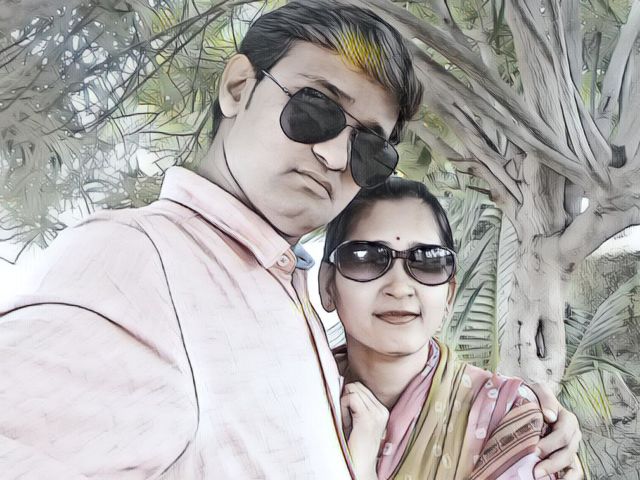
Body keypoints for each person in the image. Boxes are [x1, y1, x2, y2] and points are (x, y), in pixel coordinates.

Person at [0, 1, 580, 478]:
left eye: (368, 147)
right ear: (237, 87)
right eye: (315, 109)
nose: (334, 156)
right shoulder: (137, 265)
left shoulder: (283, 297)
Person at [318, 176, 584, 479]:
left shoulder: (509, 415)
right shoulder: (294, 400)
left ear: (449, 295)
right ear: (327, 285)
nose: (400, 288)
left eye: (428, 261)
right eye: (366, 258)